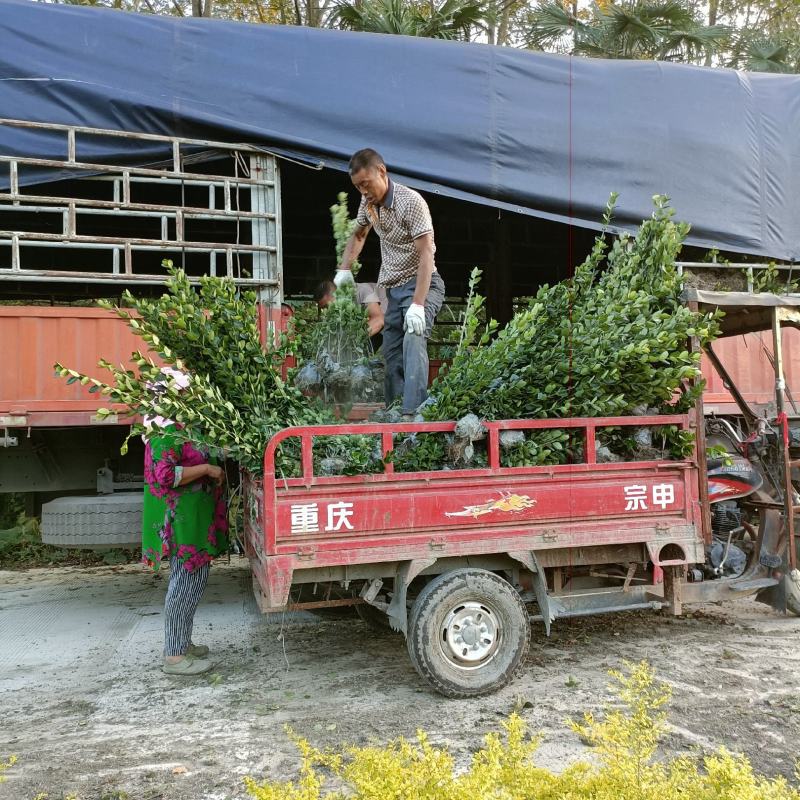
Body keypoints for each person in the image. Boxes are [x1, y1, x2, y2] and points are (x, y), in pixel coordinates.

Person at [334, 148, 445, 416]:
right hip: (393, 290)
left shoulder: (411, 202)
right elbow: (359, 235)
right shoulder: (368, 204)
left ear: (381, 172)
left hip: (422, 284)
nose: (363, 191)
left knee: (414, 337)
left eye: (366, 184)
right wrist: (344, 269)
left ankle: (413, 415)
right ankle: (394, 413)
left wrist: (418, 305)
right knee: (391, 352)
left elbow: (426, 254)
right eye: (358, 186)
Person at [141, 367, 229, 676]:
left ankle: (182, 643)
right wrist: (207, 469)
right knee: (185, 584)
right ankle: (175, 656)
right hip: (180, 522)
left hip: (193, 520)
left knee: (193, 581)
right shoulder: (164, 431)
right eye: (184, 393)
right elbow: (166, 476)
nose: (190, 396)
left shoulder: (181, 426)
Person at [314, 278, 387, 336]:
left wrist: (353, 340)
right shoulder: (342, 309)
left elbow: (378, 320)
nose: (327, 310)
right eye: (323, 308)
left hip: (393, 325)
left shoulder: (361, 290)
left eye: (327, 306)